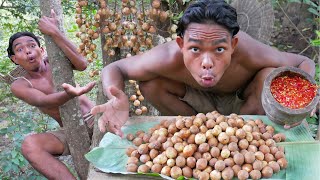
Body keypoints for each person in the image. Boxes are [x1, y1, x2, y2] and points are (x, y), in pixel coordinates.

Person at [91, 0, 315, 137]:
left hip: (245, 107)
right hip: (194, 108)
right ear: (181, 45)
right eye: (195, 49)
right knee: (151, 83)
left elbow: (303, 63)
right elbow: (115, 68)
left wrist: (303, 98)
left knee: (269, 76)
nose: (207, 62)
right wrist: (114, 97)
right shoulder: (168, 56)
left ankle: (239, 136)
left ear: (232, 45)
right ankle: (198, 132)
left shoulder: (250, 52)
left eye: (218, 49)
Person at [7, 10, 95, 179]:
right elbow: (44, 101)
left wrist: (54, 32)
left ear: (41, 49)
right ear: (15, 59)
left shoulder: (57, 62)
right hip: (71, 132)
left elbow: (82, 64)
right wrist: (70, 94)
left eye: (32, 45)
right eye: (20, 49)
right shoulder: (20, 85)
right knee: (29, 146)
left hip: (96, 118)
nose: (28, 51)